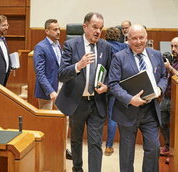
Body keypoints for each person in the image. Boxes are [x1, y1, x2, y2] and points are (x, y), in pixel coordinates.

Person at [55, 12, 112, 172]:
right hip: (76, 101)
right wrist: (78, 66)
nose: (98, 31)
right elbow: (61, 74)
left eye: (100, 28)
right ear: (85, 26)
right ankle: (77, 169)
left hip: (97, 102)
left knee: (95, 143)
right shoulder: (71, 45)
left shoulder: (106, 47)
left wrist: (107, 85)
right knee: (76, 140)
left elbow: (112, 73)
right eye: (95, 27)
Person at [108, 24, 167, 172]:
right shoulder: (119, 57)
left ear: (147, 38)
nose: (138, 41)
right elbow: (113, 84)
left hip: (150, 111)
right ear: (128, 40)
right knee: (127, 154)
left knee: (153, 149)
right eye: (134, 38)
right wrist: (130, 99)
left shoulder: (157, 55)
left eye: (141, 37)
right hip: (127, 111)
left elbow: (163, 77)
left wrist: (160, 88)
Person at [33, 18, 72, 160]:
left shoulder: (59, 46)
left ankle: (62, 147)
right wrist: (50, 91)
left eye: (58, 28)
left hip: (61, 87)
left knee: (64, 119)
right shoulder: (40, 47)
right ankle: (45, 150)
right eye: (55, 29)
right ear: (47, 31)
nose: (58, 31)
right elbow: (40, 73)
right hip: (47, 91)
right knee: (46, 122)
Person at [104, 27, 128, 156]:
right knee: (112, 116)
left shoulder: (102, 45)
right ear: (118, 36)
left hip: (102, 83)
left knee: (99, 114)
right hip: (116, 84)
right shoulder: (124, 47)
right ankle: (108, 146)